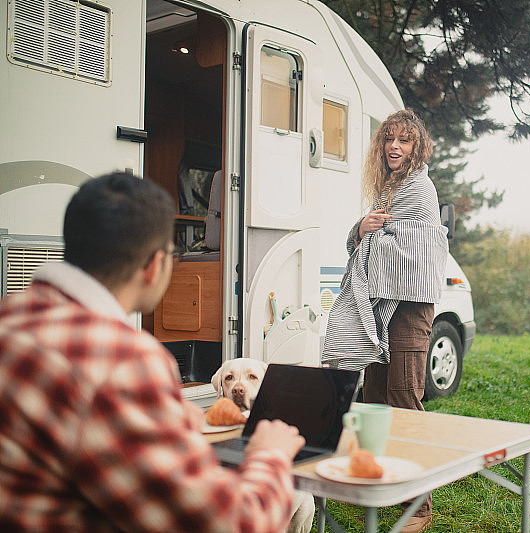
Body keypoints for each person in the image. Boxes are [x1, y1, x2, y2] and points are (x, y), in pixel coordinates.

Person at [0, 172, 305, 532]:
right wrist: (270, 453)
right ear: (155, 264)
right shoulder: (124, 359)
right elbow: (229, 523)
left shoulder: (12, 319)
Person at [321, 110, 448, 533]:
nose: (395, 147)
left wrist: (370, 235)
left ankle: (421, 506)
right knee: (374, 397)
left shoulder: (420, 189)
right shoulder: (386, 190)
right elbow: (359, 242)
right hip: (379, 306)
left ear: (417, 147)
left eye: (404, 141)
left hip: (409, 307)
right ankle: (382, 483)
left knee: (404, 397)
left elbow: (418, 250)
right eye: (389, 139)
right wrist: (362, 228)